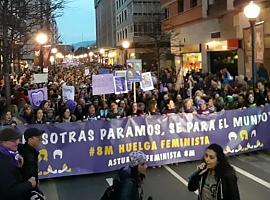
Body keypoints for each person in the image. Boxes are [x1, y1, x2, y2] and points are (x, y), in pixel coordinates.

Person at [0, 127, 36, 200]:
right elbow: (8, 191)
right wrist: (29, 184)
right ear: (2, 142)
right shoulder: (4, 161)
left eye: (17, 139)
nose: (17, 142)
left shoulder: (9, 154)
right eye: (13, 140)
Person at [18, 127, 45, 199]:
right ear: (30, 139)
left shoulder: (24, 149)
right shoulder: (30, 155)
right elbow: (29, 174)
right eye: (38, 137)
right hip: (28, 189)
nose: (41, 139)